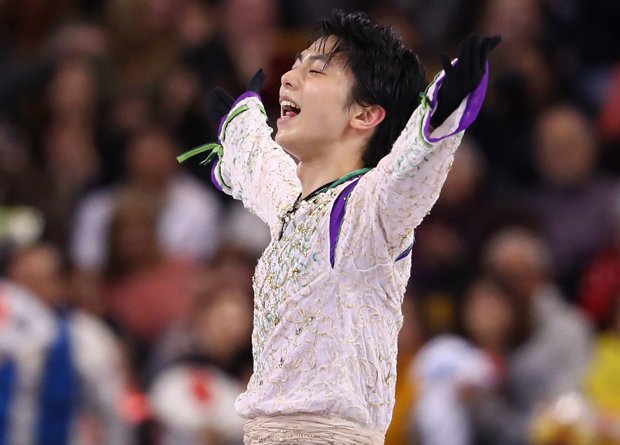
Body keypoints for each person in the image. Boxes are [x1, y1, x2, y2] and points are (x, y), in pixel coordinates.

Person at [181, 10, 500, 445]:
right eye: (294, 64)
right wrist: (240, 127)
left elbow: (409, 172)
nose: (288, 78)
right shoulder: (297, 207)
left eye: (315, 71)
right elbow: (263, 173)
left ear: (366, 115)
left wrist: (441, 112)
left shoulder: (368, 213)